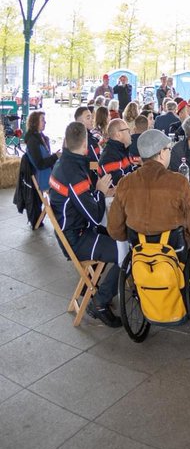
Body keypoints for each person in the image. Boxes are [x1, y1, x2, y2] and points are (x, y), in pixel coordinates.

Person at [47, 121, 121, 327]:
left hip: (73, 229)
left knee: (119, 235)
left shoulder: (65, 162)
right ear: (85, 144)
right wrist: (99, 190)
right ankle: (100, 302)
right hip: (77, 239)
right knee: (129, 251)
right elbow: (95, 216)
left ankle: (96, 289)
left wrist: (97, 191)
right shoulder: (73, 174)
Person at [106, 129, 190, 257]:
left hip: (139, 255)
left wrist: (136, 236)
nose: (170, 153)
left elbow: (114, 230)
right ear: (161, 153)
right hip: (174, 254)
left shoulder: (125, 183)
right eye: (169, 149)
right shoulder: (179, 182)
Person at [23, 110, 58, 192]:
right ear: (35, 122)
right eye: (42, 120)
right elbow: (40, 164)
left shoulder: (41, 137)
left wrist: (55, 156)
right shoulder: (32, 141)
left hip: (47, 175)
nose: (45, 122)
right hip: (42, 179)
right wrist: (55, 157)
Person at [97, 119, 135, 183]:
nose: (130, 134)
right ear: (118, 134)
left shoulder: (122, 150)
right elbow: (122, 185)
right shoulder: (109, 157)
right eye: (128, 131)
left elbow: (131, 172)